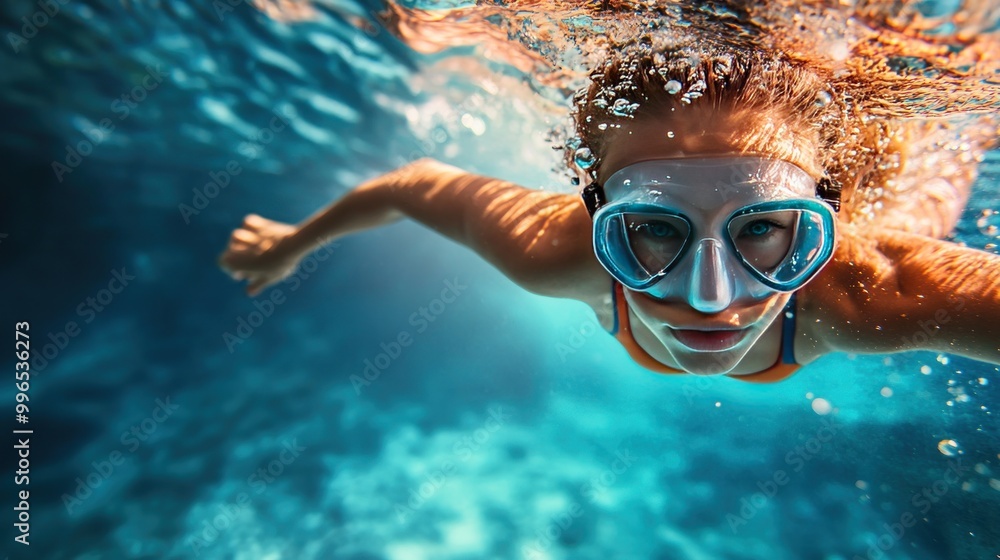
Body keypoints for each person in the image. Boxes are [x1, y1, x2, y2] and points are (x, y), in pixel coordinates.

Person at [218, 31, 1000, 381]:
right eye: (653, 228)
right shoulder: (554, 248)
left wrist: (290, 244)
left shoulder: (867, 290)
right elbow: (411, 182)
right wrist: (291, 242)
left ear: (819, 228)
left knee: (921, 177)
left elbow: (413, 181)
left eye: (764, 227)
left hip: (890, 200)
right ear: (594, 213)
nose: (710, 298)